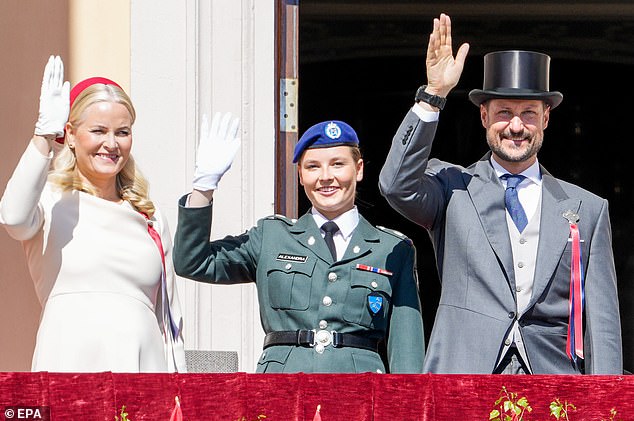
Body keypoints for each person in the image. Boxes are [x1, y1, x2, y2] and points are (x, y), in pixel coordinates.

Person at [379, 14, 622, 374]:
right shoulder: (451, 186)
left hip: (553, 383)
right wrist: (433, 97)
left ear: (546, 119)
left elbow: (602, 322)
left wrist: (605, 404)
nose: (516, 126)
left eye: (528, 113)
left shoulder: (587, 208)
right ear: (483, 116)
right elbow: (395, 184)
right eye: (504, 113)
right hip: (464, 376)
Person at [173, 117, 424, 373]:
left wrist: (404, 409)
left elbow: (407, 354)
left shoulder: (392, 248)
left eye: (338, 164)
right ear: (301, 175)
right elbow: (192, 262)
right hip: (281, 391)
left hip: (358, 394)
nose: (326, 177)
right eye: (313, 167)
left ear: (358, 169)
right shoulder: (272, 236)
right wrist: (203, 189)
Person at [0, 56, 186, 372]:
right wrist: (43, 136)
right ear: (70, 134)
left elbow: (170, 323)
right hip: (68, 369)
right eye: (98, 130)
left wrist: (179, 392)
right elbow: (13, 218)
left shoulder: (150, 218)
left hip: (144, 373)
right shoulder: (50, 201)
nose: (111, 144)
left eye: (122, 132)